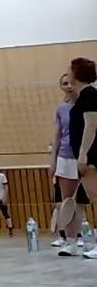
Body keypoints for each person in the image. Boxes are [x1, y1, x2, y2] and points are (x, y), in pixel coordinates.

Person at [51, 72, 86, 255]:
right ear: (61, 87)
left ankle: (87, 239)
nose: (69, 86)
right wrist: (53, 161)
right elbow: (57, 135)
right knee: (68, 202)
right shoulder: (60, 109)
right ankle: (71, 243)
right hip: (65, 158)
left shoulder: (88, 103)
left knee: (87, 200)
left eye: (71, 82)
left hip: (86, 157)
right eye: (65, 83)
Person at [66, 57, 97, 259]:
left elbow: (91, 125)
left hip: (92, 156)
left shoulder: (89, 95)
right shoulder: (82, 96)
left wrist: (84, 154)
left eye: (70, 70)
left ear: (77, 74)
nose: (68, 73)